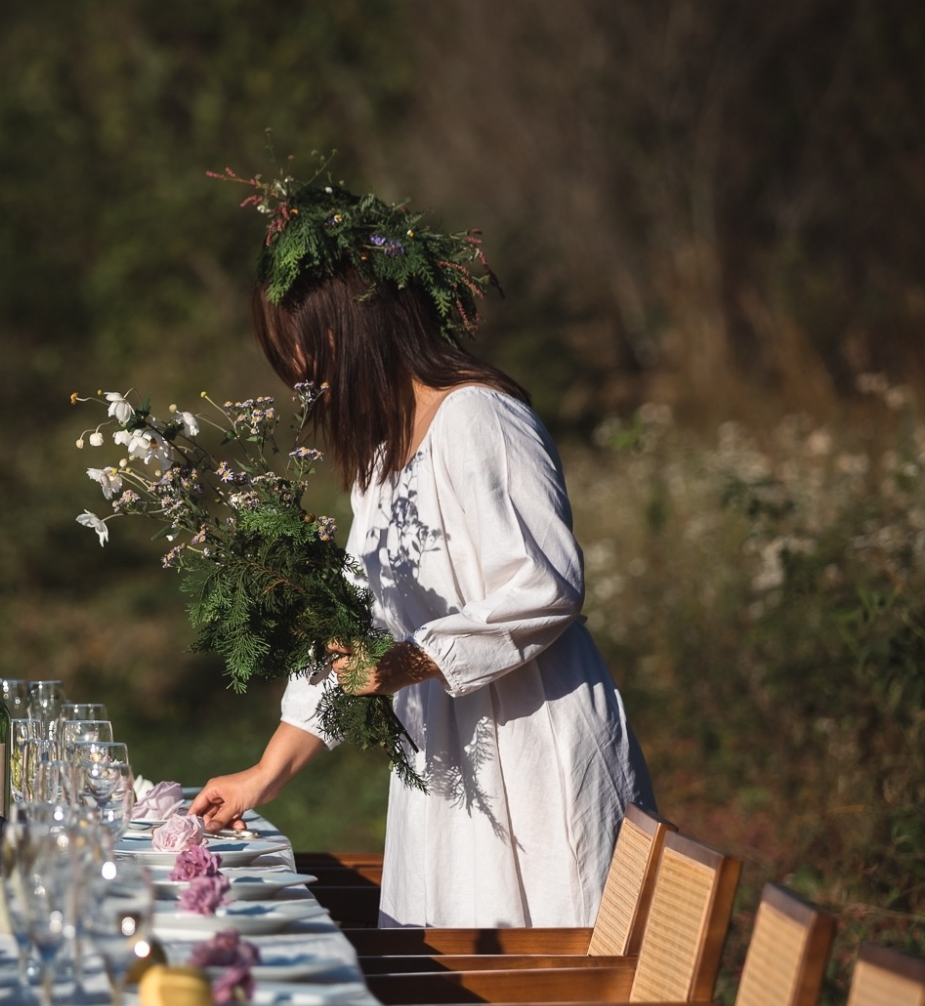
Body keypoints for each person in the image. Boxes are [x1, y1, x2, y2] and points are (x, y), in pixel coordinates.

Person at [189, 174, 653, 928]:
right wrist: (265, 772)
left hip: (527, 742)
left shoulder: (480, 418)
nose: (308, 378)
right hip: (445, 758)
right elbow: (354, 629)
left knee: (537, 956)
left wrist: (407, 662)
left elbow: (545, 586)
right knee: (453, 962)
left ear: (360, 327)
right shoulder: (381, 461)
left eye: (313, 353)